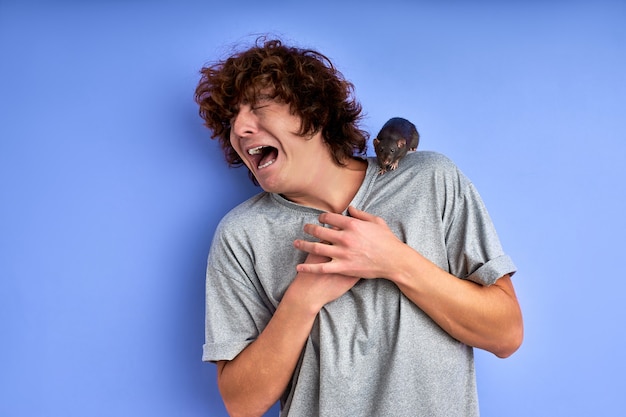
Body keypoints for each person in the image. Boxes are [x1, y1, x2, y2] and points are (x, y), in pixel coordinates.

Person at [194, 37, 523, 417]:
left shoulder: (429, 179)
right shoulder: (241, 234)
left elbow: (506, 334)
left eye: (257, 107)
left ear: (311, 112)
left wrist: (394, 261)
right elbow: (241, 403)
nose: (240, 128)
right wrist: (303, 299)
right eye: (231, 119)